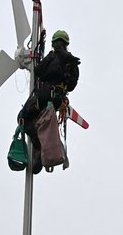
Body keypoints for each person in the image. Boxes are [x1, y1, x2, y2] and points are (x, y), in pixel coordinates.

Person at [18, 30, 80, 173]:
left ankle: (39, 146)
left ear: (53, 44)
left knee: (22, 118)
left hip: (45, 95)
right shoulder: (72, 62)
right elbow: (72, 86)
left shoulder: (53, 56)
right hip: (58, 101)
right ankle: (39, 151)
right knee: (40, 121)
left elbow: (38, 71)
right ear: (67, 45)